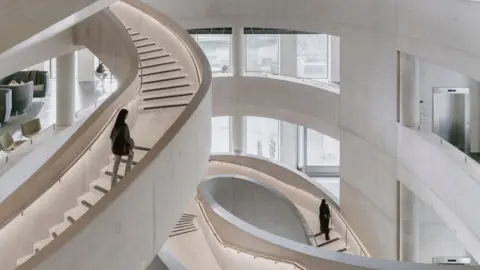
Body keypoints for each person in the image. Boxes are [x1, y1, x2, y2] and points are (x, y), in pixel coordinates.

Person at [110, 108, 135, 188]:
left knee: (115, 166)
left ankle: (113, 185)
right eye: (127, 114)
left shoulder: (116, 126)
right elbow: (127, 138)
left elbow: (112, 137)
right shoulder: (124, 126)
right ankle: (127, 174)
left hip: (116, 149)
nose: (127, 115)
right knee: (131, 155)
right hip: (123, 148)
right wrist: (132, 144)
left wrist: (113, 147)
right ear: (124, 115)